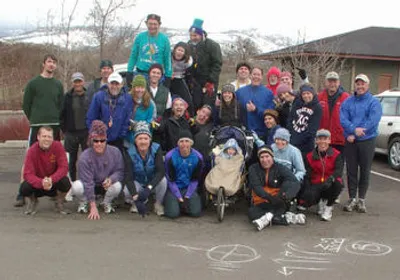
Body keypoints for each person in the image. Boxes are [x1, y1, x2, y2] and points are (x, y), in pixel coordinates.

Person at [15, 54, 64, 207]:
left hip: (54, 125)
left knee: (55, 159)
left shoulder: (58, 84)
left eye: (54, 63)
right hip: (37, 125)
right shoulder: (33, 83)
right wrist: (35, 119)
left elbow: (61, 105)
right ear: (43, 64)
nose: (51, 65)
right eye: (49, 62)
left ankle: (53, 190)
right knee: (29, 157)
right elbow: (26, 105)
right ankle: (21, 193)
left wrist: (56, 119)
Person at [340, 74, 382, 213]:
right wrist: (351, 132)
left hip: (367, 139)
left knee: (365, 170)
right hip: (351, 140)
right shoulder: (348, 101)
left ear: (367, 85)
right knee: (351, 171)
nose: (360, 86)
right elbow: (343, 119)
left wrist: (360, 131)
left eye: (362, 84)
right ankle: (352, 198)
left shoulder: (373, 102)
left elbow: (373, 119)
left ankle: (361, 199)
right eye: (358, 84)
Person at [70, 120, 124, 219]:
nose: (99, 143)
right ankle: (85, 202)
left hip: (106, 185)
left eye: (102, 140)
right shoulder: (84, 157)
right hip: (90, 186)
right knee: (76, 186)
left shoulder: (115, 152)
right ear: (91, 141)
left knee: (118, 185)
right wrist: (93, 206)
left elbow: (120, 171)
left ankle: (106, 202)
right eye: (96, 141)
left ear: (106, 140)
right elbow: (87, 182)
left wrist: (111, 179)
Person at [248, 146, 304, 231]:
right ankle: (287, 218)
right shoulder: (253, 168)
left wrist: (284, 196)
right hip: (261, 200)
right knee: (252, 213)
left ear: (272, 157)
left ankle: (267, 218)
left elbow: (294, 182)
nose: (265, 160)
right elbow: (256, 186)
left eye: (267, 156)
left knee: (288, 184)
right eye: (262, 157)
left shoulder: (280, 168)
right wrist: (269, 198)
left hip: (278, 199)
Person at [20, 126, 71, 215]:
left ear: (53, 138)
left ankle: (59, 201)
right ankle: (33, 201)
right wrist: (41, 182)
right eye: (44, 136)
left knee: (66, 182)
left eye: (49, 137)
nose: (47, 139)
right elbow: (27, 173)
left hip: (53, 183)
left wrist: (51, 179)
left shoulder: (58, 146)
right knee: (24, 187)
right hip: (38, 184)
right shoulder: (32, 150)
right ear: (38, 137)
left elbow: (64, 167)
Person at [297, 129, 344, 221]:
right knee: (309, 196)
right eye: (320, 139)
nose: (322, 141)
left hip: (330, 182)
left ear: (329, 140)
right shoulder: (309, 156)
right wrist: (308, 190)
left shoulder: (336, 154)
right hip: (316, 183)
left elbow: (339, 170)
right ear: (316, 141)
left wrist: (331, 179)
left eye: (325, 139)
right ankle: (320, 201)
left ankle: (328, 207)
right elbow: (308, 174)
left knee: (338, 184)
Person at [124, 122, 167, 216]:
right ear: (135, 140)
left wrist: (149, 188)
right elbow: (128, 177)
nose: (143, 141)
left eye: (145, 138)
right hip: (138, 182)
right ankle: (137, 202)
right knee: (127, 190)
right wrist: (136, 198)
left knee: (163, 181)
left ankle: (158, 204)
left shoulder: (156, 148)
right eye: (140, 138)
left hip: (152, 182)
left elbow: (161, 171)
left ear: (150, 139)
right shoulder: (129, 152)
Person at [86, 72, 133, 151]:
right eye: (112, 83)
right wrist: (97, 136)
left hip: (118, 139)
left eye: (117, 84)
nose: (114, 86)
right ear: (108, 84)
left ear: (121, 84)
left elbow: (127, 118)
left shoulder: (127, 98)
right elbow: (91, 118)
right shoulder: (98, 96)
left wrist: (122, 134)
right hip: (100, 139)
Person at [164, 131, 204, 218]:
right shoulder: (170, 156)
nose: (184, 144)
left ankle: (183, 205)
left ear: (191, 143)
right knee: (172, 214)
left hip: (189, 187)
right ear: (178, 144)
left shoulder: (198, 157)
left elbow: (195, 179)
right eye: (181, 141)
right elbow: (170, 179)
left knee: (196, 213)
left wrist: (187, 195)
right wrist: (178, 196)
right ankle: (176, 204)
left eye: (187, 141)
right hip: (174, 188)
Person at [127, 14, 172, 88]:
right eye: (150, 24)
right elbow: (133, 56)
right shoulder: (140, 37)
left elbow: (167, 60)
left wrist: (168, 76)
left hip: (156, 76)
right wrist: (129, 71)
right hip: (140, 73)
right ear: (146, 23)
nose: (152, 26)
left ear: (159, 25)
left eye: (155, 24)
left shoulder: (165, 39)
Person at [187, 18, 222, 110]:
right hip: (194, 83)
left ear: (201, 34)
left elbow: (217, 64)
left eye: (195, 35)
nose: (193, 38)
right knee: (195, 106)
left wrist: (211, 81)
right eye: (191, 35)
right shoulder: (189, 45)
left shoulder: (213, 45)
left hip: (209, 82)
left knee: (207, 107)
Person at [60, 72, 89, 181]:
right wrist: (65, 130)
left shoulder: (89, 96)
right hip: (71, 134)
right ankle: (71, 184)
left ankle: (86, 183)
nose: (77, 84)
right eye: (75, 82)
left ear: (83, 82)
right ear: (72, 83)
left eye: (79, 81)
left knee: (86, 160)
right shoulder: (67, 97)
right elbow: (61, 114)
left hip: (86, 133)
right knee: (70, 161)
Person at [236, 67, 275, 136]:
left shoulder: (268, 93)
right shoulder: (240, 92)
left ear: (262, 77)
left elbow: (271, 114)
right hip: (244, 133)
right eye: (254, 74)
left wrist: (255, 109)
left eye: (258, 75)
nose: (256, 77)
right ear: (250, 75)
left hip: (262, 133)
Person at [318, 71, 350, 154]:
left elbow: (352, 117)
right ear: (326, 82)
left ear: (339, 83)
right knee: (323, 164)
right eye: (330, 81)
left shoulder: (346, 98)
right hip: (323, 139)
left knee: (338, 165)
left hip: (340, 140)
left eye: (335, 81)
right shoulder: (319, 97)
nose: (332, 84)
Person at [288, 83, 322, 155]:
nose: (306, 96)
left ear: (313, 94)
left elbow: (313, 129)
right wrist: (291, 137)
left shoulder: (317, 107)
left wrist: (298, 140)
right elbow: (290, 119)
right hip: (293, 140)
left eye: (308, 93)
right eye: (304, 94)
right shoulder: (297, 104)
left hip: (306, 144)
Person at [170, 42, 194, 115]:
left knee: (187, 99)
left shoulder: (188, 61)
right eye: (178, 50)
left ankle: (190, 117)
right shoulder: (168, 56)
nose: (179, 53)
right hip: (167, 77)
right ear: (174, 50)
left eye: (182, 51)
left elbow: (188, 73)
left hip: (179, 78)